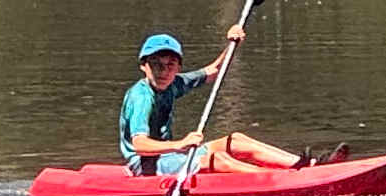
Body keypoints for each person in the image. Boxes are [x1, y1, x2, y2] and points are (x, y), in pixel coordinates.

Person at [119, 29, 298, 178]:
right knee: (217, 159)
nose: (164, 72)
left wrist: (233, 43)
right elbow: (140, 145)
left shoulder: (173, 83)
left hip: (170, 154)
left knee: (235, 140)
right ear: (144, 65)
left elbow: (215, 71)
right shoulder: (141, 97)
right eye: (156, 64)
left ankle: (303, 164)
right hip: (145, 163)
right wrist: (180, 144)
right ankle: (277, 180)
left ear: (178, 67)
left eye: (170, 65)